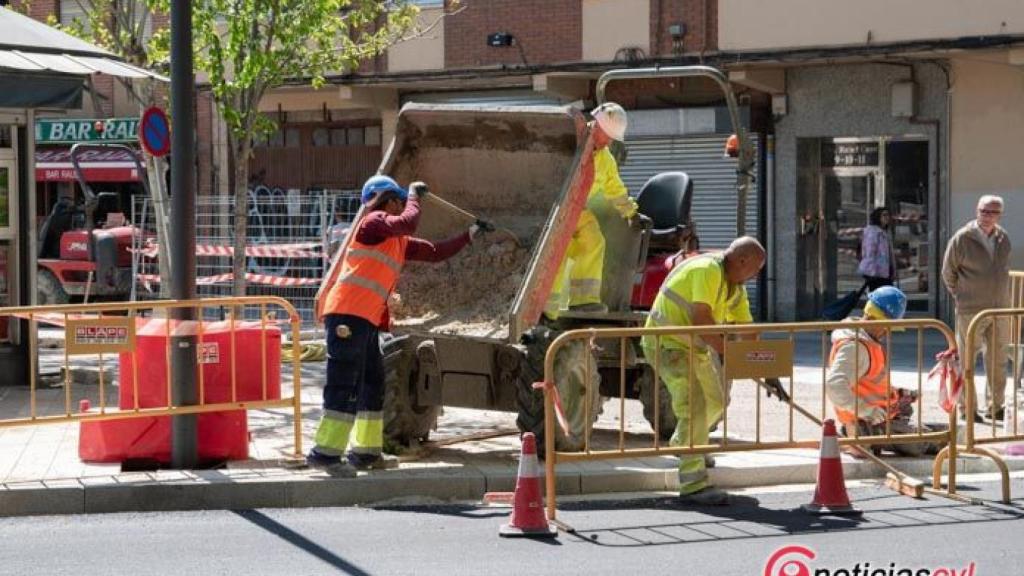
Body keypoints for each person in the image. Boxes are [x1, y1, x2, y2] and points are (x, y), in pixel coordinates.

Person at [309, 175, 489, 476]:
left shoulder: (397, 241)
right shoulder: (372, 223)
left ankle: (366, 454)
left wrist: (470, 234)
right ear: (387, 200)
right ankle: (325, 455)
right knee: (345, 383)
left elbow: (435, 252)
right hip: (346, 316)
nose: (402, 205)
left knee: (372, 384)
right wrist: (416, 196)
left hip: (364, 321)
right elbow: (408, 222)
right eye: (399, 200)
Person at [640, 236, 766, 506]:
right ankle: (693, 483)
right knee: (695, 406)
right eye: (755, 269)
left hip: (693, 347)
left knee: (717, 402)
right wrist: (731, 354)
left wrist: (764, 366)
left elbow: (748, 329)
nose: (756, 276)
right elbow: (702, 318)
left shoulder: (734, 287)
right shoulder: (707, 270)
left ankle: (685, 444)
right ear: (742, 261)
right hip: (667, 344)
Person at [545, 102, 638, 318]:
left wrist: (630, 212)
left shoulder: (605, 159)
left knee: (594, 241)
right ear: (597, 126)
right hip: (557, 209)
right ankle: (545, 307)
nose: (610, 141)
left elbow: (615, 189)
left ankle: (584, 301)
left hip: (578, 210)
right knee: (559, 250)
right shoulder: (570, 142)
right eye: (609, 135)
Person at [825, 286, 939, 456]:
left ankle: (858, 439)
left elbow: (871, 384)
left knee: (939, 434)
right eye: (887, 326)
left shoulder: (868, 341)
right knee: (927, 442)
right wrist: (865, 410)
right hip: (866, 421)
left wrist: (899, 393)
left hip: (878, 416)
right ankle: (854, 441)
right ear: (873, 318)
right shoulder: (855, 346)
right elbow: (834, 385)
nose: (888, 331)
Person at [942, 195, 1012, 422]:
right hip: (970, 309)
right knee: (967, 360)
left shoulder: (1003, 238)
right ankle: (968, 409)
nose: (987, 216)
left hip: (999, 308)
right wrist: (960, 294)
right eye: (983, 211)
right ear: (976, 210)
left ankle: (996, 406)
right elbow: (948, 272)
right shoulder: (962, 238)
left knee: (998, 359)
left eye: (992, 212)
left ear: (999, 215)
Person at [858, 207, 896, 291]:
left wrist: (892, 269)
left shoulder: (884, 232)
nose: (887, 217)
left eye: (888, 215)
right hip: (876, 272)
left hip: (883, 272)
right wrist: (872, 272)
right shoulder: (873, 232)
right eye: (884, 215)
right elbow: (870, 252)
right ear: (878, 217)